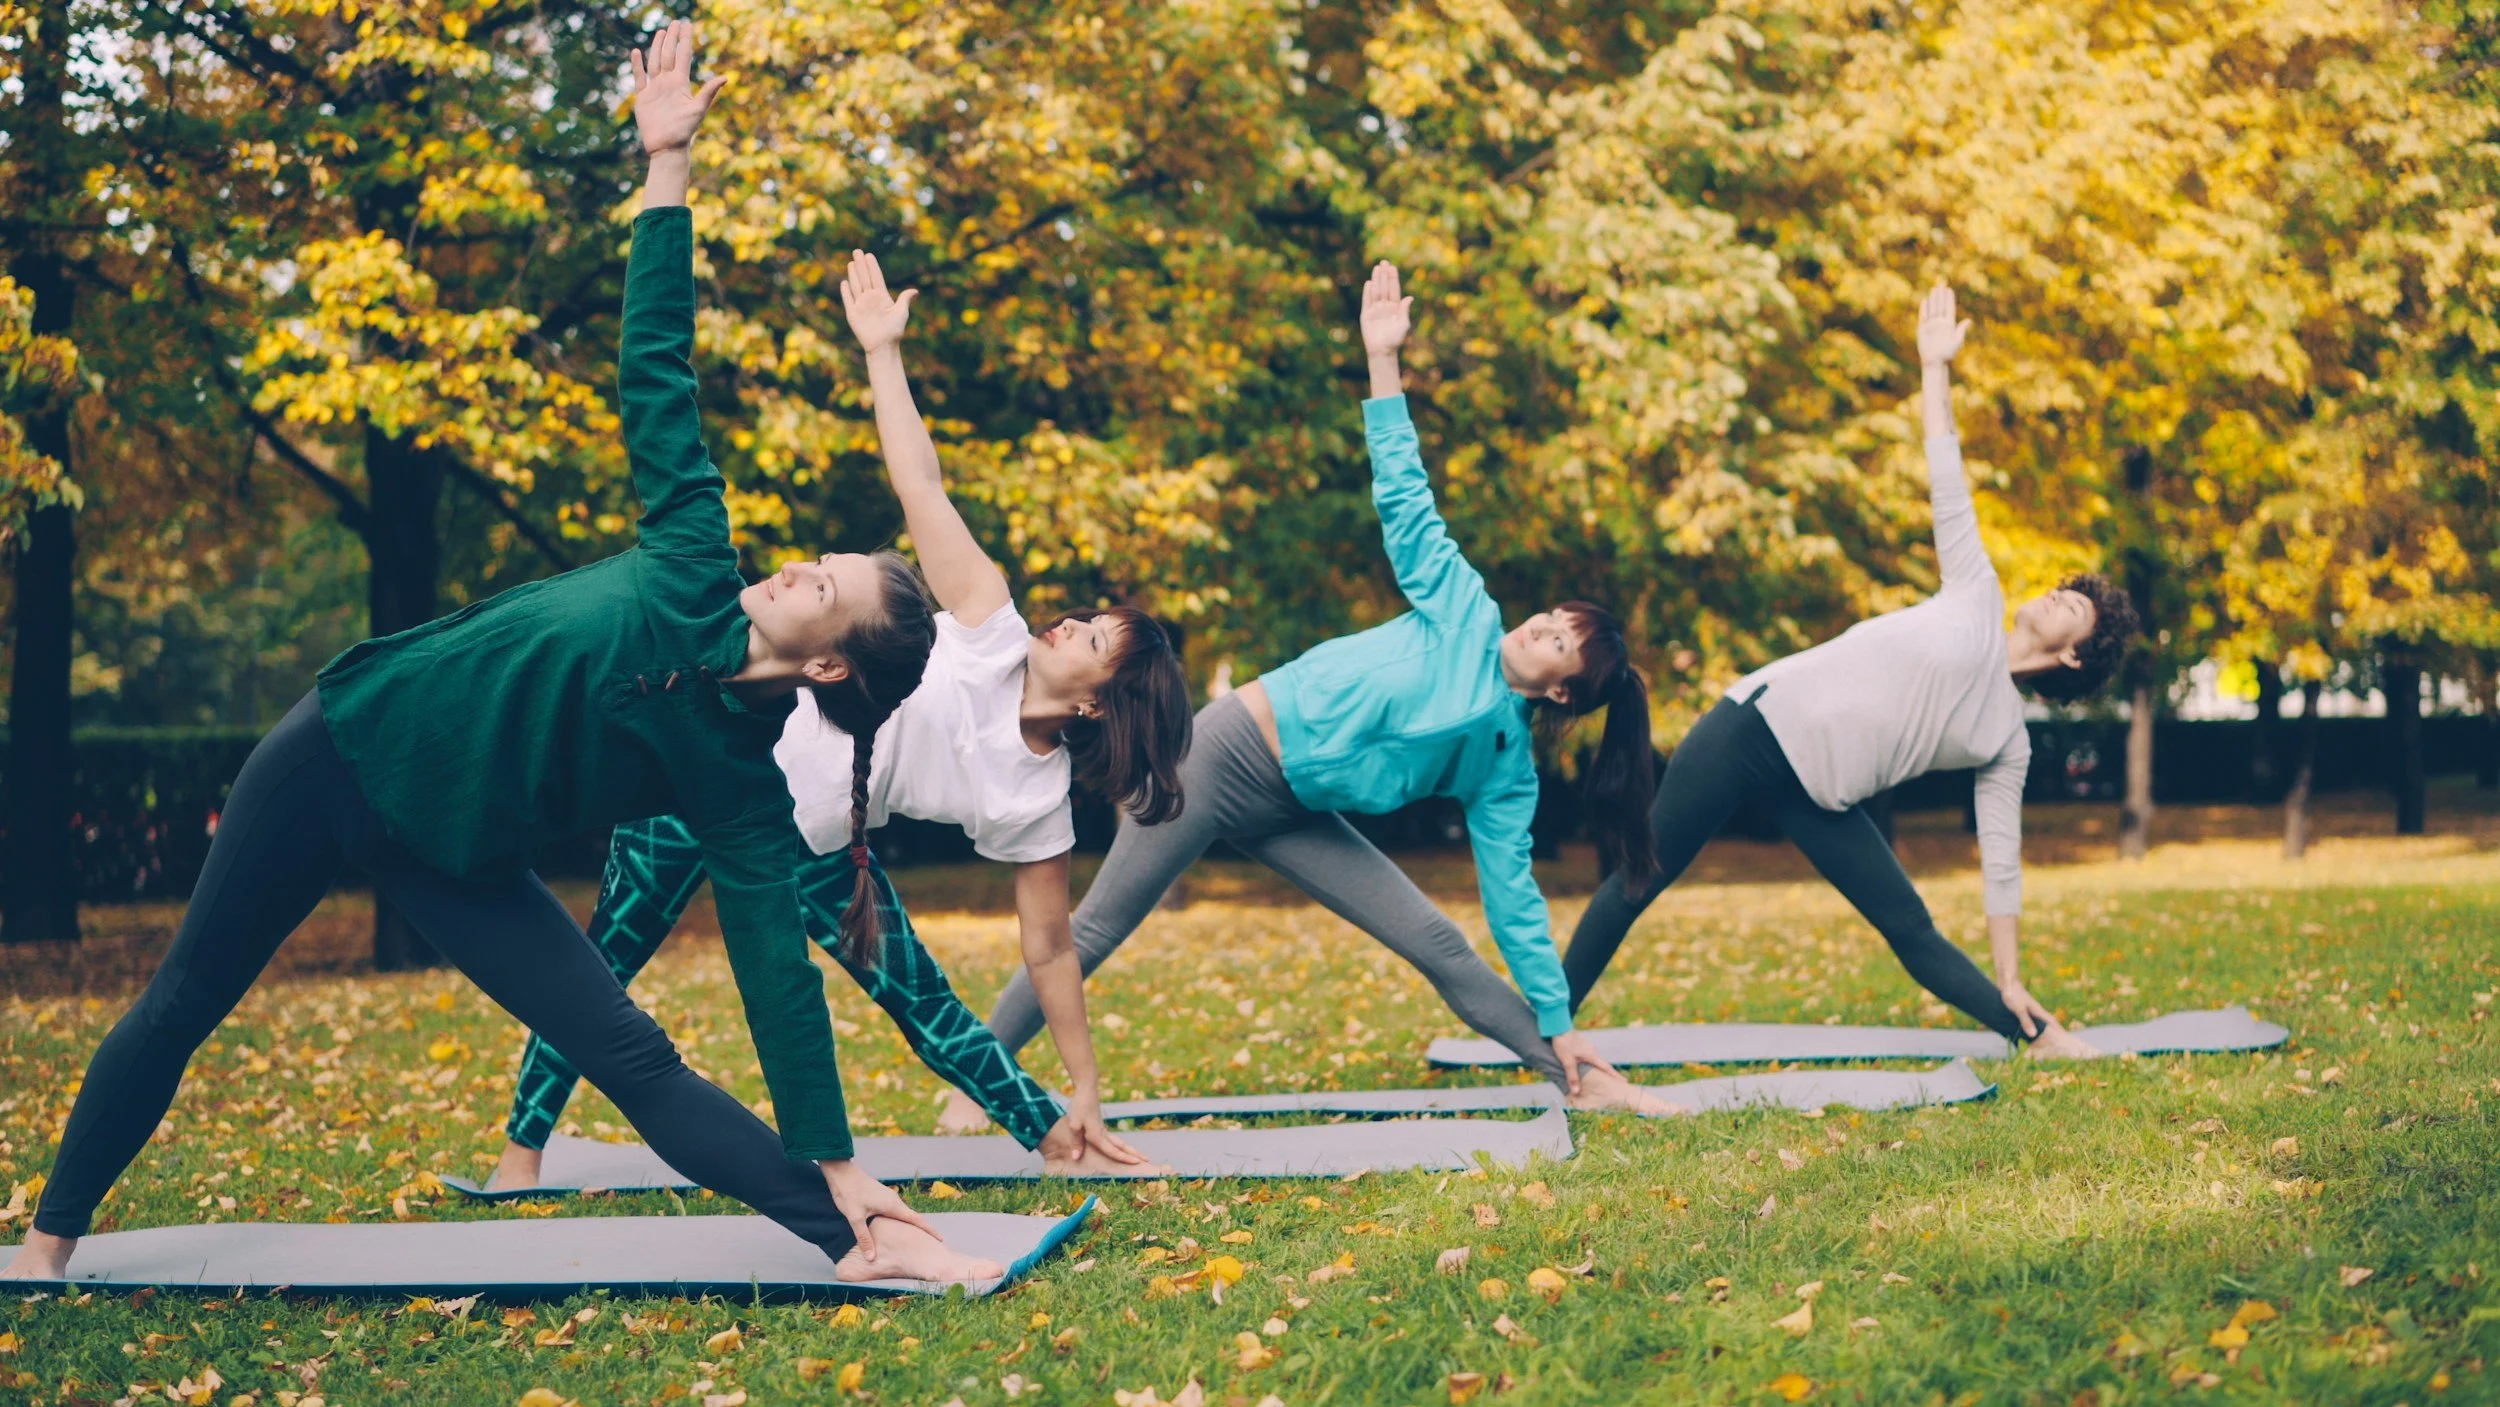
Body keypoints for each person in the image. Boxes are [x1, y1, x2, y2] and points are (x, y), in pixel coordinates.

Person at [2, 22, 1002, 1285]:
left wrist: (842, 1161)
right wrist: (665, 166)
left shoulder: (737, 785)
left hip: (450, 851)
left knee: (632, 1058)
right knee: (186, 1000)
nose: (800, 565)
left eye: (827, 586)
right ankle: (46, 1247)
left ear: (827, 669)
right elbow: (657, 364)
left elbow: (776, 982)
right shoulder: (697, 541)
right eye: (821, 556)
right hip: (341, 752)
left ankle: (857, 1237)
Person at [488, 251, 1191, 1188]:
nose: (1072, 619)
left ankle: (1061, 1137)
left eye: (1094, 636)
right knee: (605, 958)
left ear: (1100, 699)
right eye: (1088, 613)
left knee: (925, 1003)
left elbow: (1051, 946)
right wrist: (882, 356)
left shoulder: (1036, 799)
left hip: (821, 842)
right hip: (703, 767)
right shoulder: (990, 622)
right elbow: (922, 489)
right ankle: (520, 1153)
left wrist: (1086, 1085)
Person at [952, 261, 1685, 1124]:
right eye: (1551, 616)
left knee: (1436, 940)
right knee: (1098, 927)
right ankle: (978, 1080)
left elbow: (1512, 895)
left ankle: (1576, 1073)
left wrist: (1557, 1017)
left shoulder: (1506, 768)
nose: (1537, 627)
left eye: (1559, 639)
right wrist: (1383, 362)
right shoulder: (1464, 609)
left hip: (1294, 807)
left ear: (1563, 693)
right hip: (1222, 755)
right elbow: (1408, 502)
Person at [1560, 284, 2138, 1059]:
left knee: (1912, 930)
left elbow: (2003, 859)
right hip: (1751, 729)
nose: (2055, 594)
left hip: (1817, 793)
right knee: (1639, 879)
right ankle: (1545, 1026)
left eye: (2073, 606)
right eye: (2065, 587)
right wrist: (1933, 367)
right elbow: (1946, 470)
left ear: (2073, 655)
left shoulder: (2008, 740)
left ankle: (2036, 1029)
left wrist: (2010, 968)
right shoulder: (1977, 591)